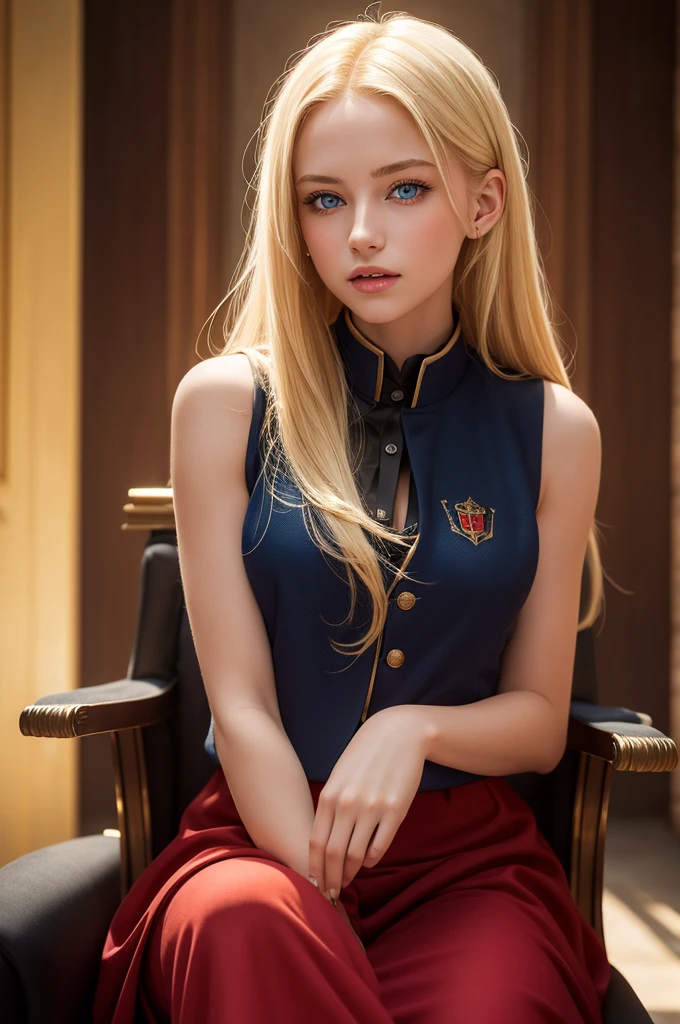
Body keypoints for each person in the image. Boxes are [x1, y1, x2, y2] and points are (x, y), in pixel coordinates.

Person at [93, 9, 612, 1023]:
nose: (360, 233)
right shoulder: (219, 405)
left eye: (403, 188)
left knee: (489, 1001)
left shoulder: (556, 429)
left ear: (481, 202)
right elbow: (237, 706)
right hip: (254, 844)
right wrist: (312, 884)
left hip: (463, 873)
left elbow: (539, 722)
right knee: (248, 927)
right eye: (323, 199)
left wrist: (411, 730)